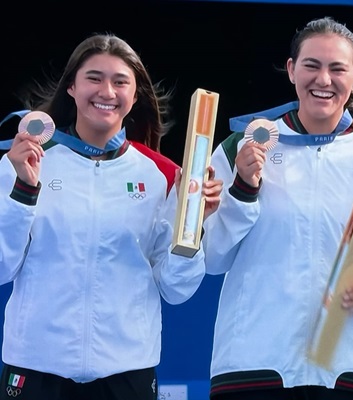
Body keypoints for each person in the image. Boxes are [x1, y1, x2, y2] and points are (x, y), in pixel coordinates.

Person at [202, 16, 353, 400]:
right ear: (291, 70)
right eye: (311, 65)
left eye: (337, 68)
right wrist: (242, 190)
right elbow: (212, 257)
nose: (324, 80)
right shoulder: (245, 146)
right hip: (255, 364)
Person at [0, 33, 222, 400]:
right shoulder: (24, 162)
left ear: (134, 97)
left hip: (126, 374)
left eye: (120, 82)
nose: (107, 91)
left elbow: (176, 288)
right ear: (71, 86)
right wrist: (24, 191)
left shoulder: (163, 176)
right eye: (94, 78)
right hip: (35, 369)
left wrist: (192, 226)